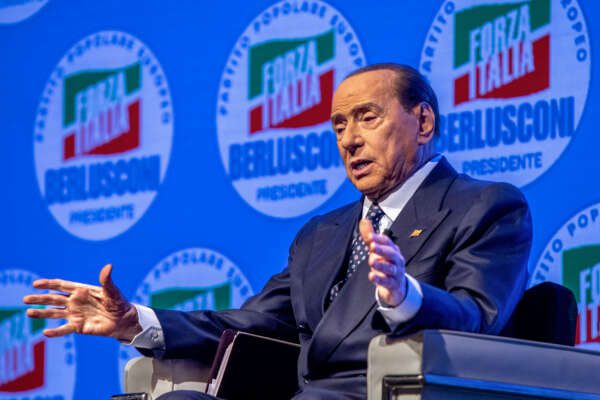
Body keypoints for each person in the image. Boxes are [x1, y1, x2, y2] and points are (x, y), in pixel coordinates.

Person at [23, 64, 531, 399]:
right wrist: (138, 322)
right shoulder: (322, 233)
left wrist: (405, 297)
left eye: (367, 118)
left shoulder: (484, 206)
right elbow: (255, 323)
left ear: (423, 122)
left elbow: (476, 317)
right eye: (338, 126)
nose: (349, 140)